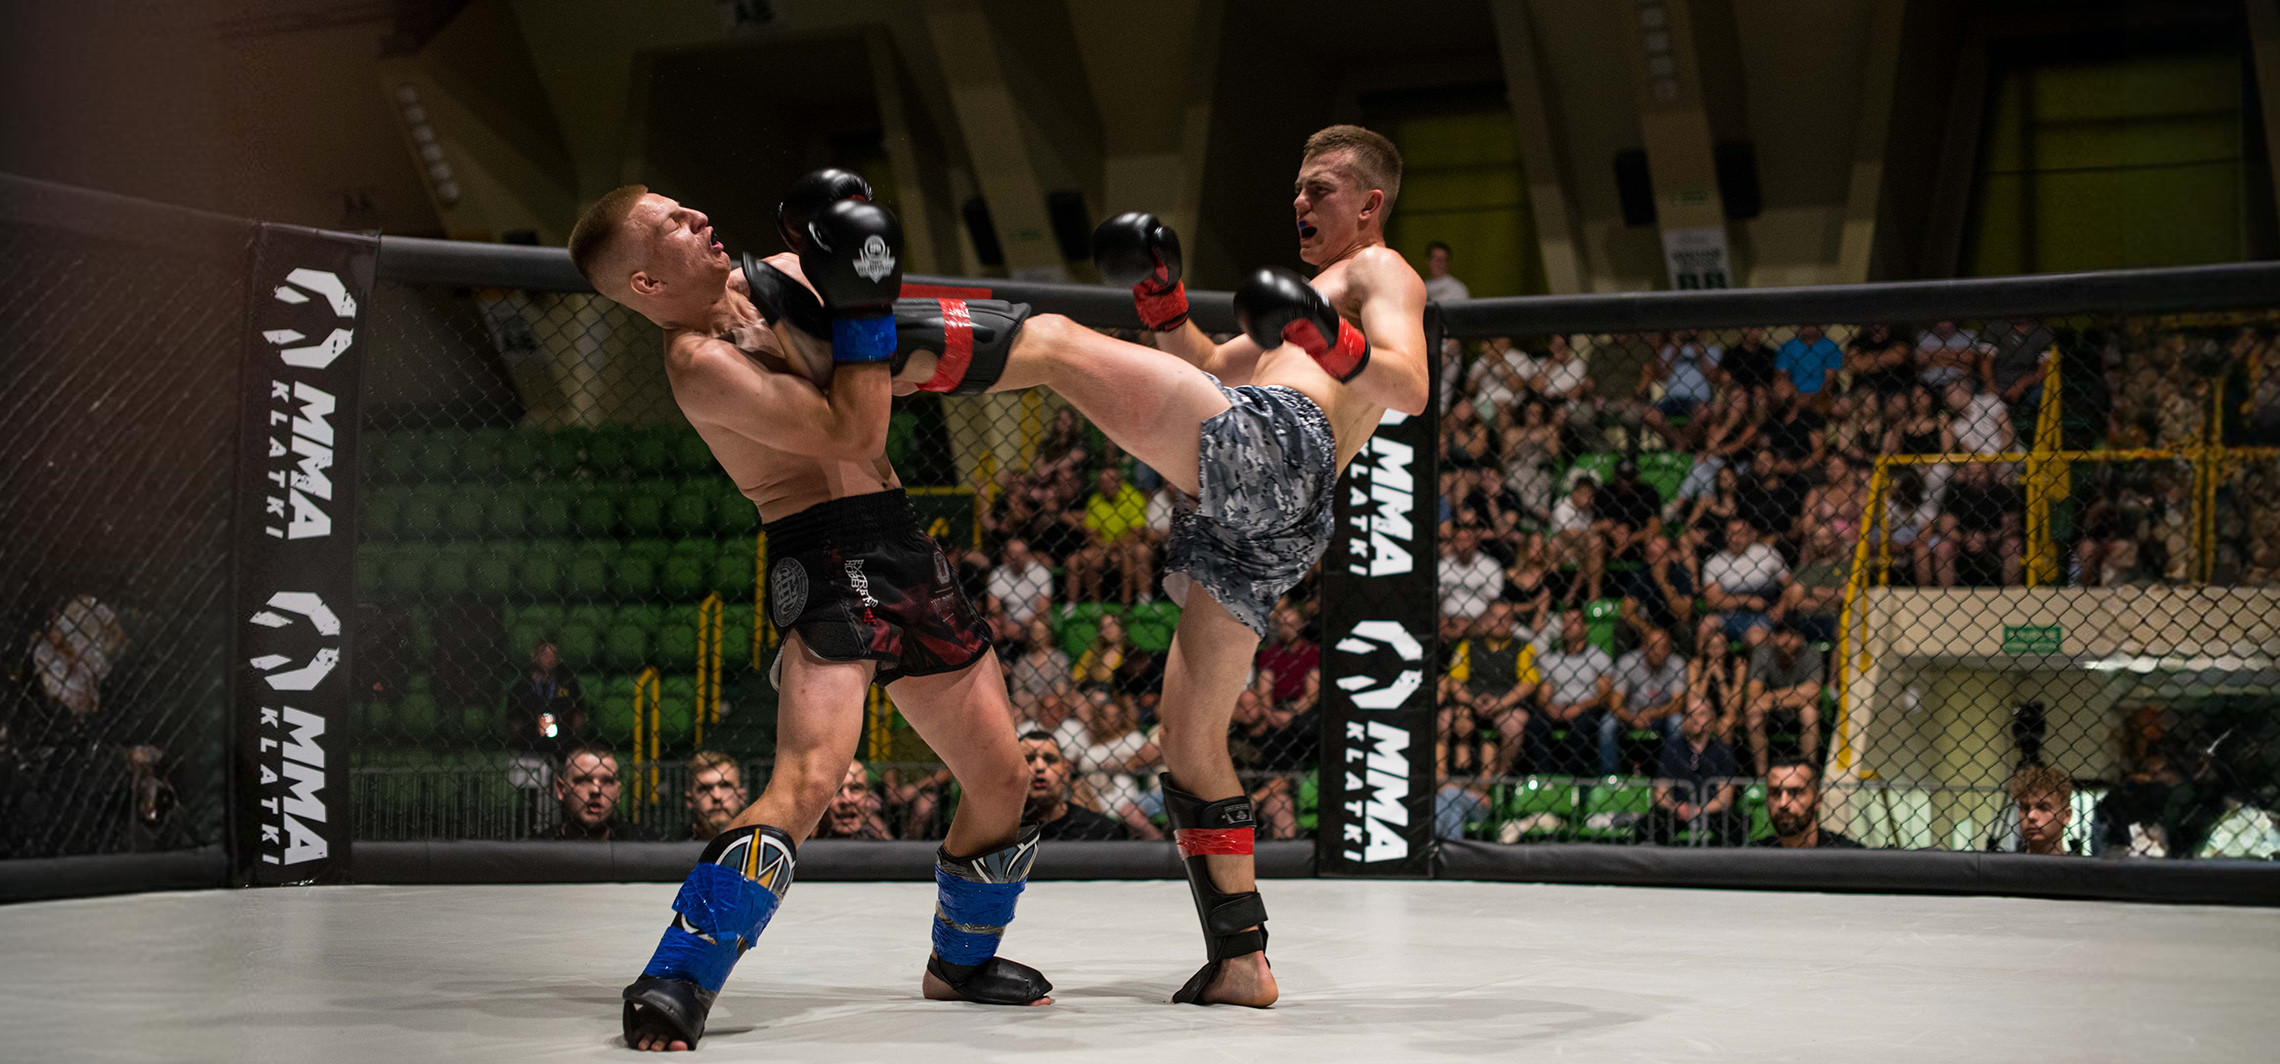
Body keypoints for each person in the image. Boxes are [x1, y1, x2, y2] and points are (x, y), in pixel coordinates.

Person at [568, 172, 1050, 1048]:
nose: (702, 213)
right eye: (676, 222)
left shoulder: (779, 272)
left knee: (1004, 776)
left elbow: (890, 347)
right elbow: (851, 432)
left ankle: (962, 961)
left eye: (691, 203)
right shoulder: (696, 363)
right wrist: (851, 306)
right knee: (811, 779)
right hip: (825, 553)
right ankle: (678, 977)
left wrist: (855, 272)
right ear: (645, 282)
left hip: (904, 537)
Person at [1641, 695, 1743, 846]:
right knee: (1648, 822)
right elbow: (1661, 795)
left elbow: (1725, 800)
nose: (1695, 719)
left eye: (1701, 714)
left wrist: (1697, 810)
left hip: (1711, 812)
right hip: (1677, 811)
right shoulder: (1671, 749)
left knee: (1736, 824)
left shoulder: (1723, 751)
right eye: (1690, 714)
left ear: (1712, 718)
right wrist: (1676, 807)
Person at [1527, 609, 1616, 775]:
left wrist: (1579, 707)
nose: (1569, 626)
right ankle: (1544, 775)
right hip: (1557, 707)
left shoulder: (1597, 656)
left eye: (1574, 621)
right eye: (1565, 621)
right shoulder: (1552, 659)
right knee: (1535, 723)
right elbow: (1543, 697)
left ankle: (1569, 777)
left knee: (1582, 727)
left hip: (1586, 708)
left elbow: (1604, 696)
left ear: (1584, 627)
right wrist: (1550, 707)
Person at [1744, 623, 1825, 775]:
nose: (1786, 639)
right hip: (1772, 711)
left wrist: (1771, 697)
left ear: (1800, 638)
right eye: (1781, 634)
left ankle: (1809, 772)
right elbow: (1753, 696)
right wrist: (1798, 693)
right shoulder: (1763, 654)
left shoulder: (1811, 653)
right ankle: (1761, 775)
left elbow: (1814, 692)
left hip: (1791, 707)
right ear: (1773, 637)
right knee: (1753, 713)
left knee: (1810, 712)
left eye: (1791, 634)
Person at [1606, 628, 1689, 774]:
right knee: (1607, 724)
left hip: (1661, 715)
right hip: (1630, 715)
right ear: (1643, 646)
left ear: (1669, 649)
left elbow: (1677, 704)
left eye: (1663, 647)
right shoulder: (1627, 662)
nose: (1658, 652)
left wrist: (1651, 714)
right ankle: (1609, 777)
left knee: (1677, 722)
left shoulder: (1676, 663)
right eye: (1653, 646)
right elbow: (1614, 705)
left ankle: (1671, 775)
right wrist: (1632, 717)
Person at [1020, 731, 1131, 840]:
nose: (1040, 767)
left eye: (1050, 760)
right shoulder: (1005, 832)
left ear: (1066, 772)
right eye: (1028, 760)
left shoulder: (1102, 830)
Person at [536, 743, 646, 841]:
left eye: (607, 781)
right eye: (583, 780)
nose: (596, 790)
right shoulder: (539, 850)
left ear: (617, 792)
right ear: (561, 789)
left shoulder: (641, 844)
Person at [1753, 756, 1863, 847]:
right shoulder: (1753, 857)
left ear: (1817, 800)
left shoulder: (1846, 855)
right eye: (1775, 793)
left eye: (1795, 793)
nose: (1783, 803)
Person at [508, 640, 584, 758]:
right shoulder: (522, 686)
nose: (550, 659)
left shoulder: (567, 683)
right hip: (530, 745)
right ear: (535, 657)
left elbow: (579, 715)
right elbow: (514, 720)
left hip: (562, 745)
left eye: (554, 655)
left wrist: (571, 735)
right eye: (545, 655)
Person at [811, 759, 893, 840]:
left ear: (868, 798)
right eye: (836, 791)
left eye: (855, 789)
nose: (846, 800)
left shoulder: (880, 847)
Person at [2006, 765, 2076, 855]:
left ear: (2066, 815)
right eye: (2025, 808)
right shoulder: (2008, 865)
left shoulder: (2080, 868)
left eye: (2043, 808)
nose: (2031, 816)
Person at [987, 537, 1055, 630]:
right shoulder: (998, 573)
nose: (1017, 557)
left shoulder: (1040, 572)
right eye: (1013, 553)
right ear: (1006, 555)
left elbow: (1042, 608)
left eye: (1022, 553)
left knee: (1039, 627)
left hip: (1032, 621)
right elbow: (993, 607)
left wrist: (1021, 626)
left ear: (1028, 554)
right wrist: (1006, 625)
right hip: (1006, 623)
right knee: (991, 625)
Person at [683, 751, 748, 843]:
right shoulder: (673, 850)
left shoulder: (759, 847)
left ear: (741, 796)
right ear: (690, 800)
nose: (717, 796)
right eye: (705, 788)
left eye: (725, 786)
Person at [1776, 324, 1843, 398]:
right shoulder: (1788, 347)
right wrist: (1796, 395)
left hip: (1821, 395)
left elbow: (1829, 379)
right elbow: (1782, 375)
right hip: (1793, 395)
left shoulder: (1830, 347)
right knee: (1782, 390)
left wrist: (1814, 397)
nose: (1809, 326)